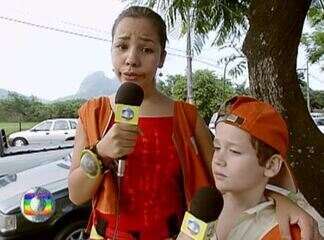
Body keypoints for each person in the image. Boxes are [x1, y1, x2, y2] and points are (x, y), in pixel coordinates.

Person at [68, 6, 319, 240]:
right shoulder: (93, 113)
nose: (132, 59)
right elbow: (76, 195)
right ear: (111, 50)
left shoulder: (186, 117)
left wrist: (279, 200)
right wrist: (100, 154)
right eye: (122, 46)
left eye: (146, 49)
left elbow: (224, 176)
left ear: (162, 57)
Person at [210, 96, 317, 240]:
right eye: (217, 147)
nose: (218, 160)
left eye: (234, 151)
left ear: (271, 165)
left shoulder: (286, 233)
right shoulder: (202, 209)